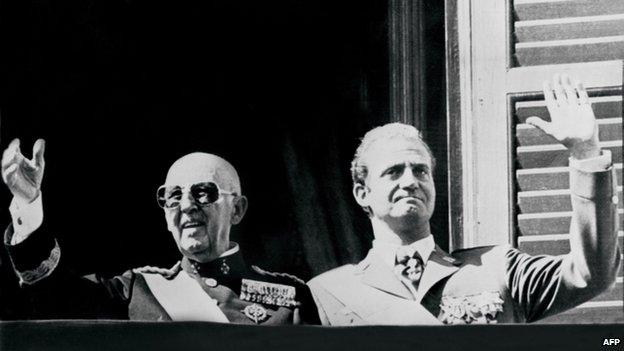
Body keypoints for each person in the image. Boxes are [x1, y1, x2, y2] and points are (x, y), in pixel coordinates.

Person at [307, 75, 621, 325]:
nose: (410, 181)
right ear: (363, 193)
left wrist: (586, 154)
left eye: (420, 170)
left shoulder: (498, 271)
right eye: (393, 172)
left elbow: (590, 273)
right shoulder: (328, 295)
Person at [1, 148, 319, 324]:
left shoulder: (290, 295)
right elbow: (54, 295)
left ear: (236, 209)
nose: (186, 206)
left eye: (203, 193)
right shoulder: (137, 290)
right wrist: (29, 208)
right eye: (172, 196)